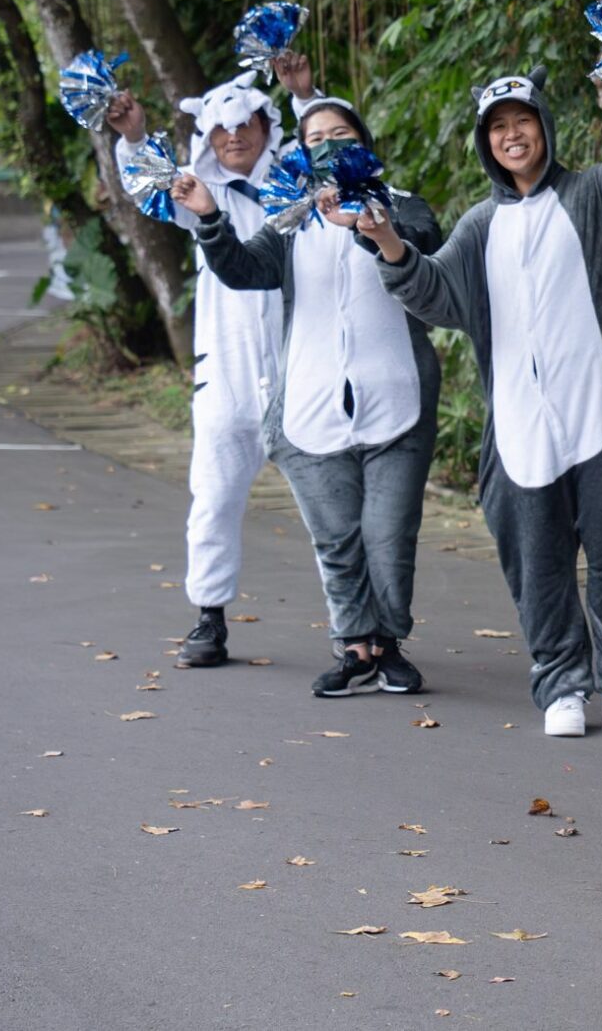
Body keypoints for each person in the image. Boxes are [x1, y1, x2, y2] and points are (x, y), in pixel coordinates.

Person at [361, 66, 602, 740]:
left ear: (545, 128)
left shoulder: (590, 196)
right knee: (535, 557)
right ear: (485, 143)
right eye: (497, 128)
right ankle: (561, 682)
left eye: (522, 121)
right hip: (522, 423)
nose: (511, 135)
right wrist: (386, 241)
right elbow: (436, 293)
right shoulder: (479, 225)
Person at [176, 54, 444, 698]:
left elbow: (423, 256)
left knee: (387, 537)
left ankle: (391, 645)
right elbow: (241, 269)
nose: (327, 147)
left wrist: (366, 224)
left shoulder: (403, 207)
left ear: (366, 146)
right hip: (309, 407)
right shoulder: (292, 223)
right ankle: (355, 647)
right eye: (314, 140)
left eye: (341, 137)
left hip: (397, 399)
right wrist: (211, 219)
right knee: (338, 540)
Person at [109, 74, 286, 669]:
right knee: (212, 498)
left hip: (301, 369)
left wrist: (305, 93)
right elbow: (145, 185)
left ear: (266, 126)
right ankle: (209, 618)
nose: (235, 137)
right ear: (207, 136)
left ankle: (359, 630)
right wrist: (134, 135)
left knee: (333, 509)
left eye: (245, 125)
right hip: (228, 369)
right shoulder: (197, 192)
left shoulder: (299, 187)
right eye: (222, 129)